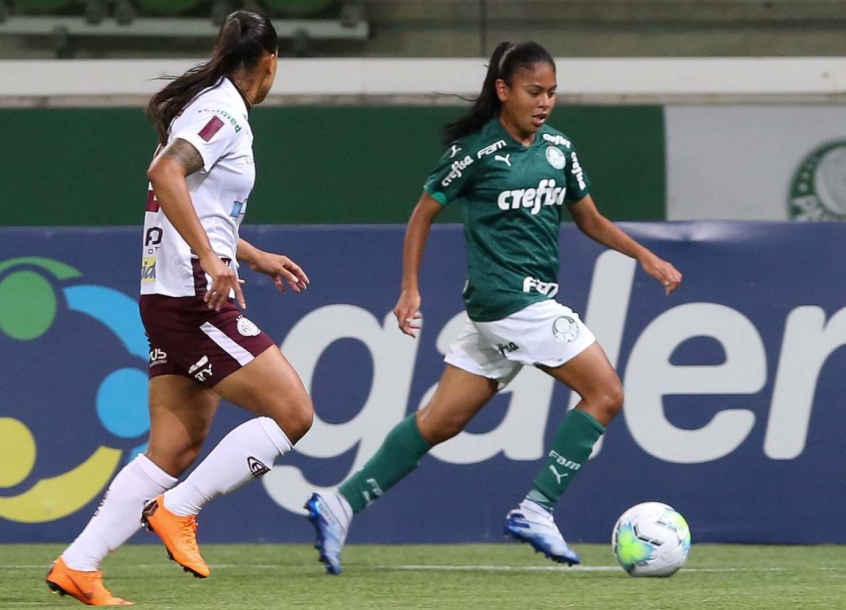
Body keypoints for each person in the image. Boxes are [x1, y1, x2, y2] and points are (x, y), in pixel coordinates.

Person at [306, 41, 682, 575]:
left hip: (513, 308)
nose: (545, 101)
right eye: (534, 91)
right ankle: (537, 508)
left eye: (552, 92)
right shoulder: (477, 152)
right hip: (511, 301)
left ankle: (339, 504)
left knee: (439, 421)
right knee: (605, 393)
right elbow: (421, 215)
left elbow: (590, 218)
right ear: (503, 91)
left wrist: (645, 256)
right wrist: (410, 288)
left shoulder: (558, 149)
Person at [46, 11, 314, 606]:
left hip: (170, 292)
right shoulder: (221, 113)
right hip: (193, 297)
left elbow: (195, 203)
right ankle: (179, 509)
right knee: (293, 412)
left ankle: (79, 566)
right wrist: (215, 262)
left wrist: (249, 253)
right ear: (270, 61)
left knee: (176, 444)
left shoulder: (207, 105)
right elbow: (165, 174)